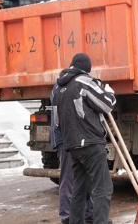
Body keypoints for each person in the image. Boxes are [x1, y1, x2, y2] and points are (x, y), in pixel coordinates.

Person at [53, 53, 116, 224]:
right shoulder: (84, 82)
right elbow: (106, 104)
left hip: (72, 145)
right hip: (91, 143)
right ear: (87, 69)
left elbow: (57, 121)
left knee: (79, 189)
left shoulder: (58, 88)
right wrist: (109, 92)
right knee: (103, 187)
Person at [50, 73, 96, 224]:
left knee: (86, 178)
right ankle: (67, 216)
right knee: (69, 178)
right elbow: (60, 119)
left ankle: (89, 214)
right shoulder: (61, 88)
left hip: (77, 138)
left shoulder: (67, 84)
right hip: (66, 139)